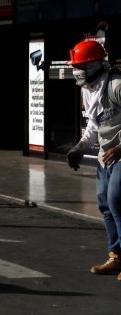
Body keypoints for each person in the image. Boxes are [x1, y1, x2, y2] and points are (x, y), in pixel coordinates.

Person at [66, 40, 121, 281]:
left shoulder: (116, 84)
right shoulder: (88, 90)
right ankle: (116, 257)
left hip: (119, 153)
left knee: (117, 200)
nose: (76, 71)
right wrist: (80, 147)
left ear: (96, 64)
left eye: (81, 66)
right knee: (105, 205)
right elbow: (94, 124)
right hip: (105, 155)